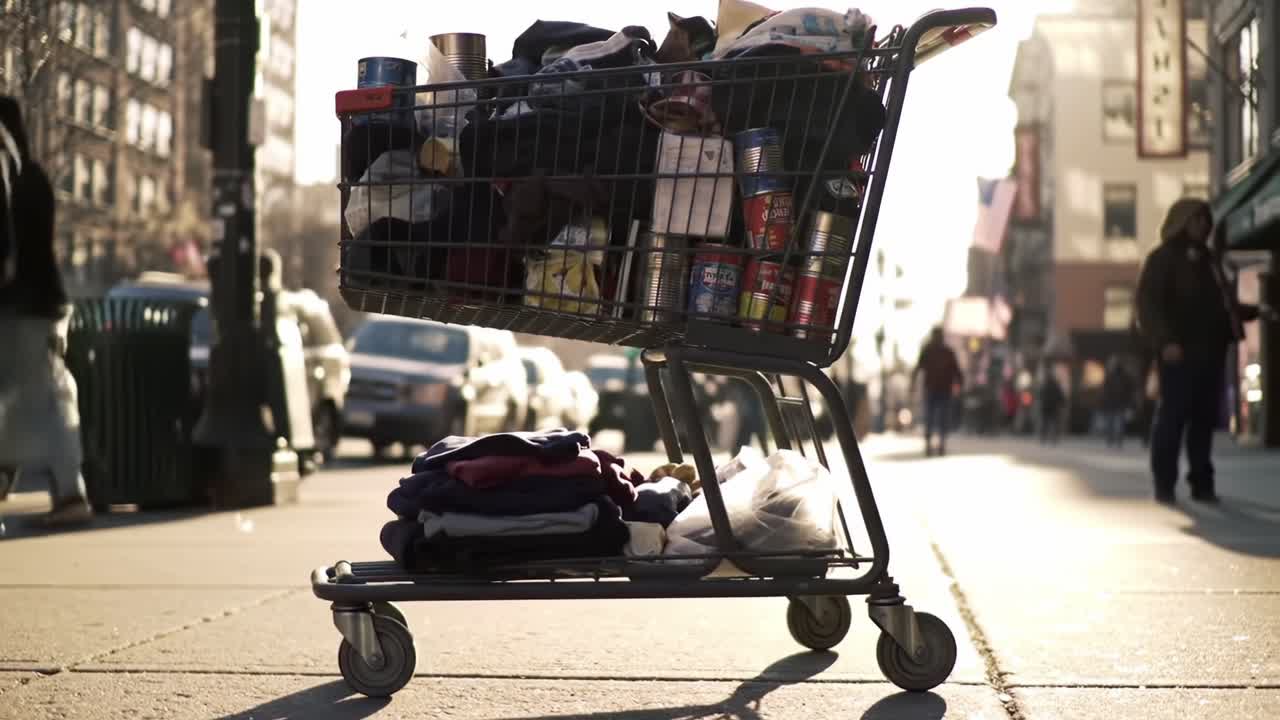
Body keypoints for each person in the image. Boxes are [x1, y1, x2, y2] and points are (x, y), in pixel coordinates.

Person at [1135, 197, 1266, 505]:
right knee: (1173, 418)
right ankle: (1164, 483)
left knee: (1203, 423)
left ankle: (1202, 483)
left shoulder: (1211, 261)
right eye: (1196, 220)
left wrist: (1250, 311)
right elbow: (1148, 306)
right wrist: (1165, 341)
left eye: (1205, 220)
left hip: (1211, 352)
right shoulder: (1163, 259)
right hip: (1178, 353)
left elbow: (1219, 306)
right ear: (1181, 222)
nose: (1203, 226)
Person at [0, 97, 93, 526]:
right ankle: (69, 493)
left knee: (21, 397)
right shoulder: (32, 173)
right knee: (43, 399)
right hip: (47, 303)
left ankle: (70, 495)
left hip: (23, 306)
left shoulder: (9, 172)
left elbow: (7, 249)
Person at [911, 326, 962, 457]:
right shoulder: (929, 351)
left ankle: (940, 444)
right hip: (933, 389)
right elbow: (918, 368)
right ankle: (932, 445)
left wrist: (960, 384)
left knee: (940, 418)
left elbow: (957, 370)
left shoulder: (946, 352)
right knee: (932, 418)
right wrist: (912, 384)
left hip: (942, 390)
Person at [1100, 356, 1135, 448]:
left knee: (1112, 422)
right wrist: (1129, 403)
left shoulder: (1110, 375)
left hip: (1112, 403)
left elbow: (1105, 391)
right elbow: (1130, 391)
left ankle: (1111, 440)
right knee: (1118, 423)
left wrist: (1104, 401)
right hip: (1120, 403)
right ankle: (1117, 440)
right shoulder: (1126, 376)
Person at [1037, 368, 1065, 446]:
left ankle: (1043, 437)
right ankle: (1053, 438)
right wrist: (1062, 404)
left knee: (1045, 423)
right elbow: (1061, 396)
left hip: (1046, 406)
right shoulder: (1056, 386)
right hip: (1054, 407)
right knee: (1054, 423)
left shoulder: (1044, 385)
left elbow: (1040, 395)